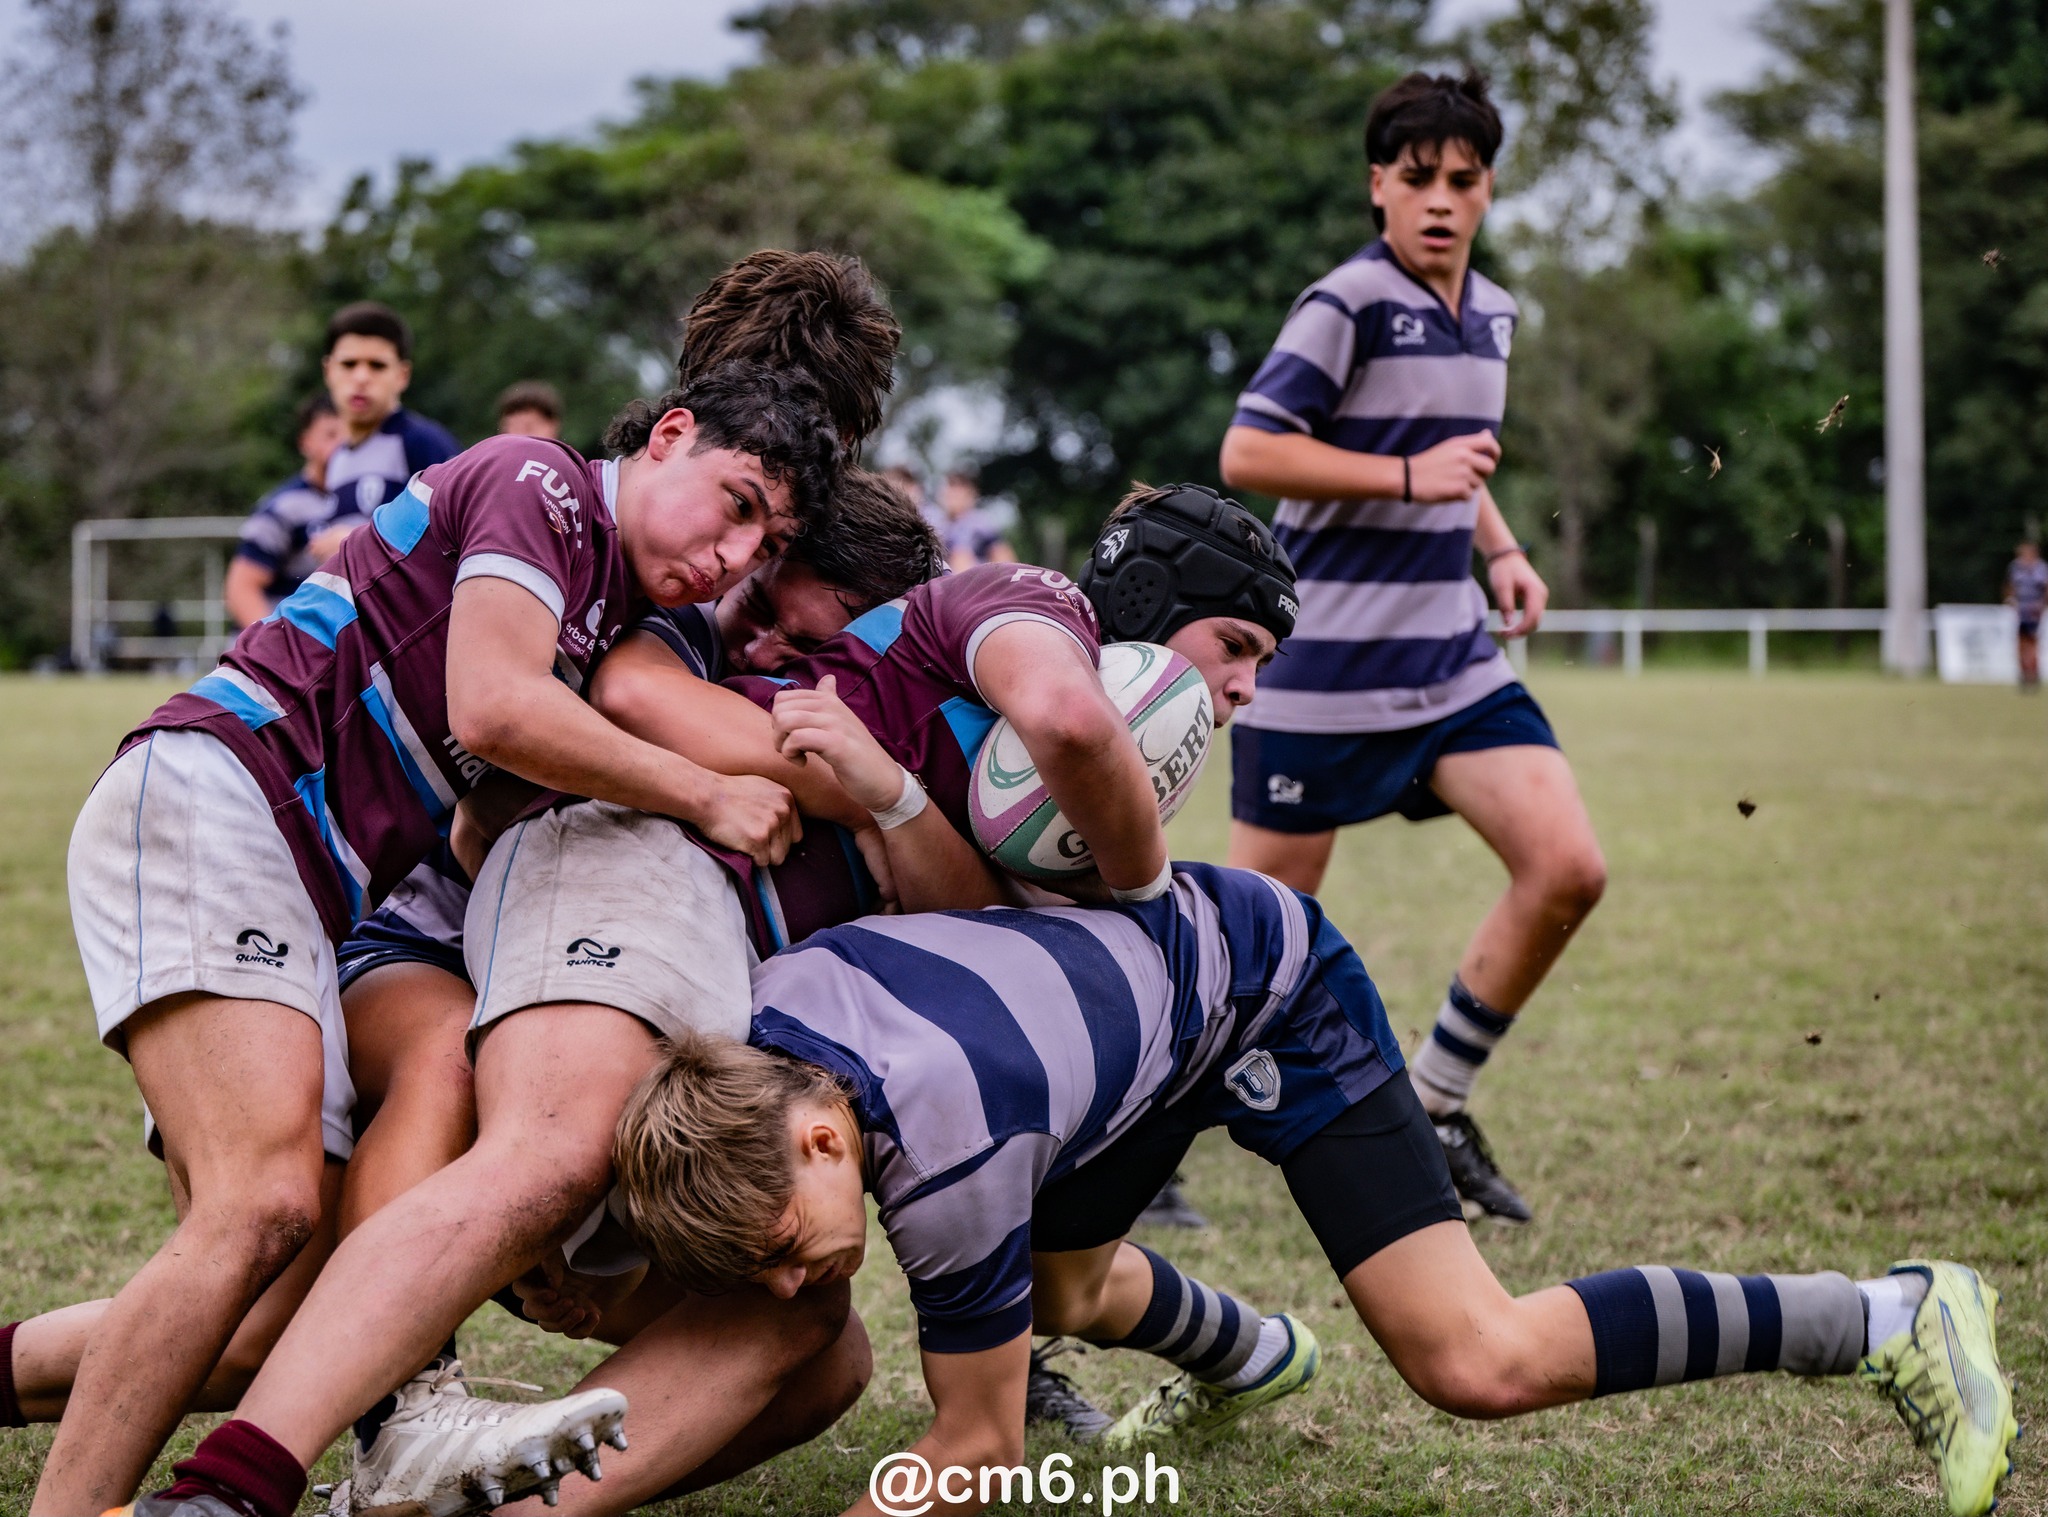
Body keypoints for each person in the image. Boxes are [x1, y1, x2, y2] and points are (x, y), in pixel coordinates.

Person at [585, 863, 2015, 1517]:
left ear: (827, 1142)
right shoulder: (759, 1025)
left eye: (780, 1251)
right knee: (1070, 1286)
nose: (790, 1291)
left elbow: (974, 1452)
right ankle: (1258, 1358)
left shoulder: (948, 1155)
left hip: (1265, 992)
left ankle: (1888, 1315)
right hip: (1117, 1037)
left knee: (1477, 1358)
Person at [42, 361, 837, 1516]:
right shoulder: (543, 484)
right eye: (737, 502)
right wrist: (701, 792)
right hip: (228, 794)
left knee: (279, 1309)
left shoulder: (611, 603)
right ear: (668, 436)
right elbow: (493, 707)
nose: (734, 555)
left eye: (763, 542)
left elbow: (474, 811)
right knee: (259, 1206)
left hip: (297, 878)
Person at [1219, 69, 1605, 1224]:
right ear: (1376, 186)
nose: (1440, 198)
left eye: (1463, 178)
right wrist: (1400, 477)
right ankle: (1130, 1142)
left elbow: (1455, 456)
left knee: (1566, 866)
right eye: (1416, 177)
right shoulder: (1342, 303)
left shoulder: (1490, 312)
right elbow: (1248, 450)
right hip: (1321, 672)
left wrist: (1499, 547)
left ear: (1487, 190)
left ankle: (1434, 1100)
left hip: (1447, 662)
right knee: (1244, 943)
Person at [322, 302, 461, 530]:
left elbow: (457, 529)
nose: (361, 377)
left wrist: (355, 544)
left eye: (377, 365)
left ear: (402, 375)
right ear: (328, 371)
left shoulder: (422, 442)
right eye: (349, 364)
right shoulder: (337, 459)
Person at [223, 395, 351, 629]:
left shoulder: (364, 497)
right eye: (331, 435)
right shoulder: (285, 505)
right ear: (305, 442)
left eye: (349, 434)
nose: (341, 443)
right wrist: (272, 645)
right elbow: (241, 587)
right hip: (287, 647)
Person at [930, 464, 1016, 570]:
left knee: (961, 556)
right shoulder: (937, 523)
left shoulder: (980, 522)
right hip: (944, 577)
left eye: (961, 487)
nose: (954, 493)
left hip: (975, 577)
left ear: (971, 493)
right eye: (951, 485)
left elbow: (1002, 554)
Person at [2004, 540, 2045, 689]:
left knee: (2032, 642)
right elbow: (2009, 585)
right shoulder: (2015, 567)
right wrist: (2010, 600)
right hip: (2020, 610)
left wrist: (2042, 605)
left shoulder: (2040, 568)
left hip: (2033, 610)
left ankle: (2033, 673)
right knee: (2021, 643)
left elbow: (2045, 587)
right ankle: (2023, 673)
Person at [496, 380, 565, 440]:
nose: (521, 435)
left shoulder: (569, 455)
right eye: (515, 427)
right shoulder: (491, 454)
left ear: (553, 426)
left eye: (529, 427)